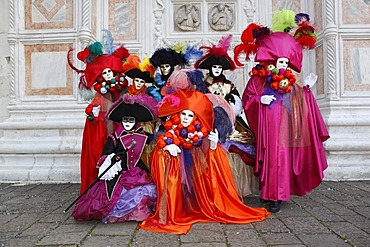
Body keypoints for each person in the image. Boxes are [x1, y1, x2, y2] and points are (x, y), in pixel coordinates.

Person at [138, 89, 270, 234]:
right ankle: (175, 208)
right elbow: (158, 154)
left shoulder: (200, 135)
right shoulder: (170, 133)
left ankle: (199, 204)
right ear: (178, 114)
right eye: (184, 114)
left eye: (190, 115)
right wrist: (167, 148)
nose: (186, 118)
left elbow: (211, 164)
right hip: (178, 184)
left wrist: (213, 147)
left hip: (196, 181)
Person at [239, 12, 329, 213]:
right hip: (268, 128)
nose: (281, 65)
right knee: (271, 159)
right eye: (278, 61)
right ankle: (269, 195)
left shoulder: (290, 82)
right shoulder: (258, 79)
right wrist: (258, 100)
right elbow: (248, 98)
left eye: (284, 62)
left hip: (285, 129)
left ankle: (278, 195)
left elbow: (298, 100)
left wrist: (306, 89)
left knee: (282, 158)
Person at [71, 93, 158, 223]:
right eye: (125, 120)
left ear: (136, 121)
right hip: (119, 172)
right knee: (113, 194)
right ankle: (122, 212)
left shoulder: (142, 134)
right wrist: (113, 158)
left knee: (146, 189)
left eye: (131, 120)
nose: (128, 123)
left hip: (137, 170)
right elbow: (104, 155)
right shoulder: (113, 138)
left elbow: (154, 141)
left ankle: (138, 212)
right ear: (121, 121)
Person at [195, 35, 258, 197]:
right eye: (214, 67)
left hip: (230, 122)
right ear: (210, 68)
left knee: (242, 142)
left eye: (219, 67)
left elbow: (238, 105)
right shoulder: (202, 85)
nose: (216, 70)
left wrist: (230, 104)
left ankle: (236, 187)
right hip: (208, 121)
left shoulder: (230, 86)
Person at [67, 41, 130, 194]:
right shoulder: (100, 94)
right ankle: (99, 189)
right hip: (101, 133)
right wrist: (93, 115)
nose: (108, 75)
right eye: (105, 73)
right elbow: (92, 111)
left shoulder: (121, 91)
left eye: (110, 72)